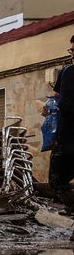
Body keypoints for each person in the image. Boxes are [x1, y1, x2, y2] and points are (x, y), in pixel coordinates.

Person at [49, 35, 74, 207]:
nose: (72, 53)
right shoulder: (67, 71)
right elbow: (56, 96)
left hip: (67, 137)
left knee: (57, 181)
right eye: (71, 50)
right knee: (58, 181)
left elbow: (60, 100)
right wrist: (50, 106)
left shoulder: (68, 71)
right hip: (66, 135)